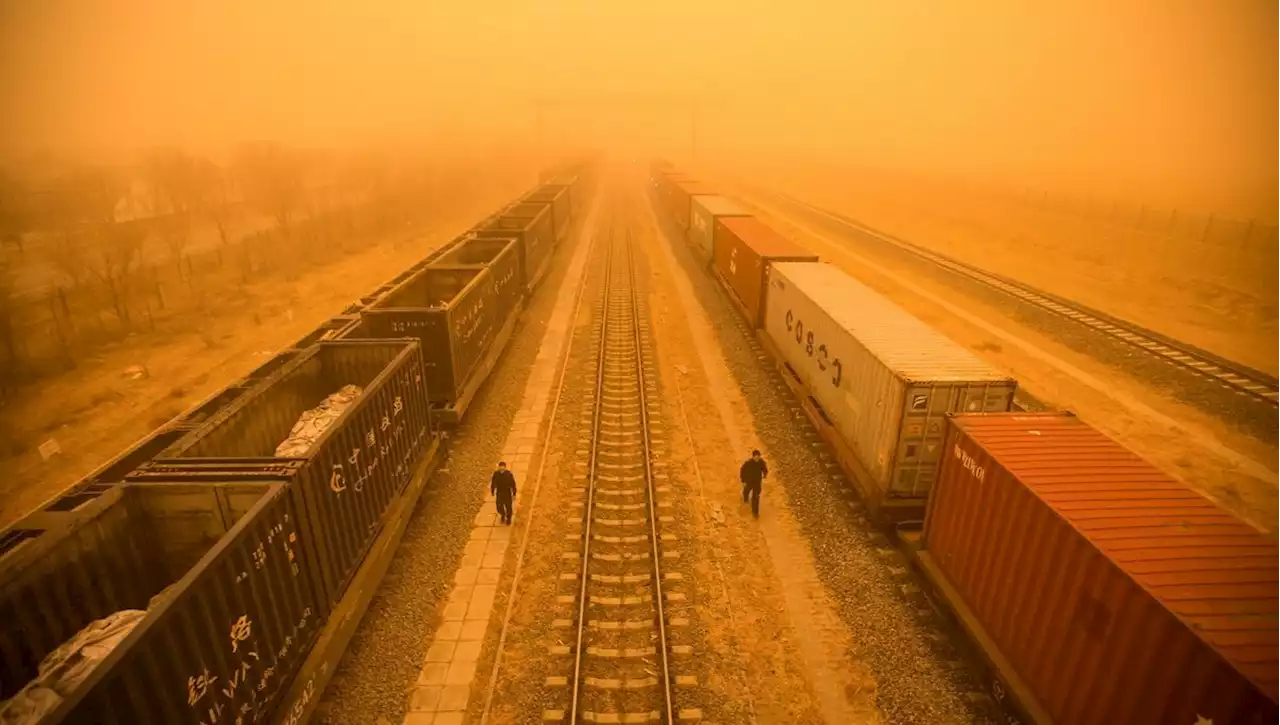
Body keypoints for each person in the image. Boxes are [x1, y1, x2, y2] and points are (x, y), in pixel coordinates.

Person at [739, 449, 768, 517]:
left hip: (757, 482)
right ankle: (745, 498)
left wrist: (765, 474)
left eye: (758, 457)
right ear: (753, 457)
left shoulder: (761, 462)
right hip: (749, 481)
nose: (757, 458)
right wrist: (743, 481)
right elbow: (742, 471)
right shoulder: (748, 463)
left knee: (756, 496)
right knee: (747, 490)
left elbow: (764, 469)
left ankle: (755, 512)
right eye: (756, 457)